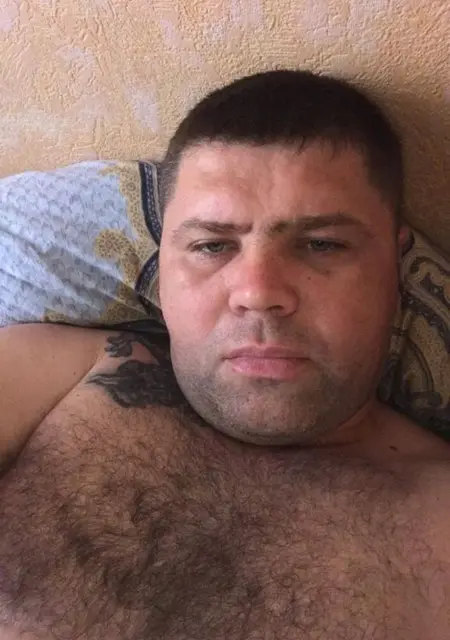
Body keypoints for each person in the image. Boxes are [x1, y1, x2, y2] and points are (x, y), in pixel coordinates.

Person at [0, 69, 449, 640]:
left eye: (322, 244)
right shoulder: (53, 377)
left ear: (395, 265)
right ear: (162, 268)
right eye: (211, 245)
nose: (257, 292)